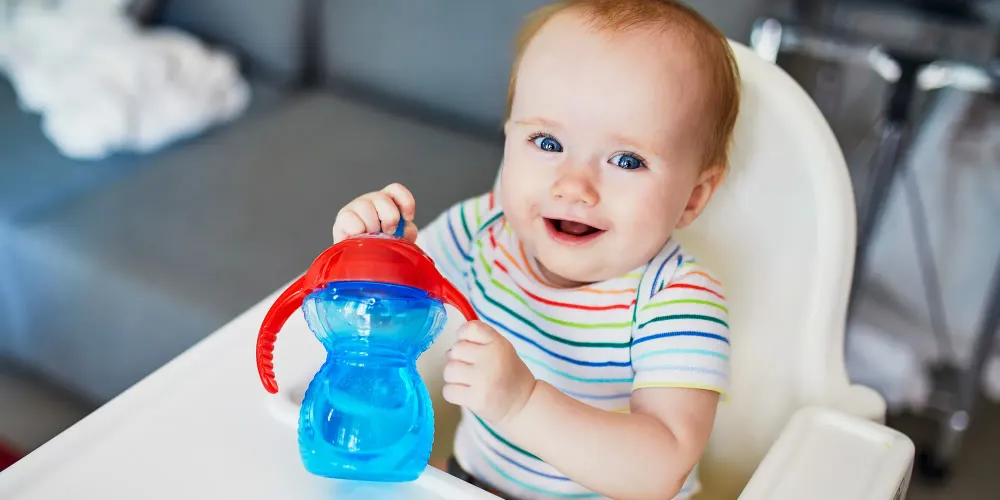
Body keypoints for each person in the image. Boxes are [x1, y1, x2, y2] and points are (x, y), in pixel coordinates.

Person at [331, 1, 740, 498]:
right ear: (509, 139)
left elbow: (661, 467)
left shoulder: (677, 299)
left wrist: (522, 404)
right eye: (547, 143)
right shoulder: (484, 229)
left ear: (693, 197)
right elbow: (387, 321)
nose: (575, 185)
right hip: (474, 481)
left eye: (626, 159)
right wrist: (368, 252)